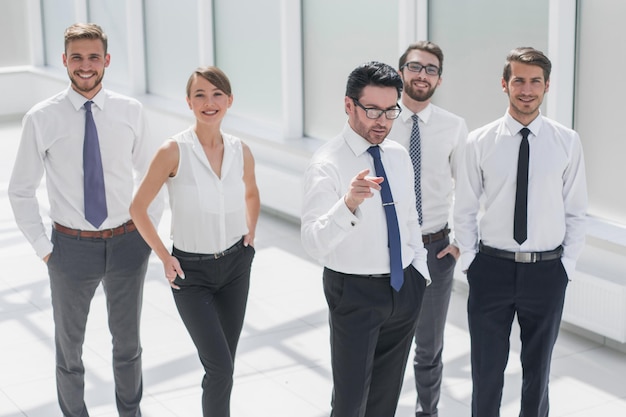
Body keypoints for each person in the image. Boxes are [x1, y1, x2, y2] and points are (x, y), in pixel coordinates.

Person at [8, 23, 163, 417]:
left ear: (106, 60)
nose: (85, 65)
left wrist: (146, 237)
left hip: (128, 243)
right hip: (70, 248)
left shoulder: (130, 112)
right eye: (76, 57)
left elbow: (153, 179)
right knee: (69, 351)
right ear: (64, 60)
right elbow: (20, 190)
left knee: (128, 347)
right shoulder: (41, 118)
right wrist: (46, 251)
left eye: (93, 56)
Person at [454, 47, 587, 417]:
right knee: (486, 372)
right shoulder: (478, 141)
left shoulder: (567, 141)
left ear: (547, 86)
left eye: (535, 81)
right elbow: (463, 207)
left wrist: (566, 266)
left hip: (546, 271)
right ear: (504, 83)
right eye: (518, 80)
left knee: (538, 372)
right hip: (491, 269)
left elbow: (577, 211)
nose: (526, 89)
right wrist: (470, 262)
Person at [301, 61, 431, 417]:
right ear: (348, 106)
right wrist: (348, 204)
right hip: (354, 293)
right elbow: (312, 242)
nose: (383, 121)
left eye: (391, 111)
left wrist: (418, 270)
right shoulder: (327, 162)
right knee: (350, 402)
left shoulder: (398, 155)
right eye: (373, 110)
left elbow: (408, 218)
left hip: (403, 288)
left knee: (384, 402)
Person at [129, 66, 260, 417]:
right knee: (219, 368)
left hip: (235, 267)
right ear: (188, 102)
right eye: (200, 94)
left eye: (217, 94)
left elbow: (251, 193)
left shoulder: (241, 150)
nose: (209, 102)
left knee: (224, 367)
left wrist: (251, 234)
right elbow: (137, 207)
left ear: (229, 100)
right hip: (191, 274)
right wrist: (163, 257)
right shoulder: (173, 150)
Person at [387, 41, 468, 417]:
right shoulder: (382, 121)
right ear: (401, 71)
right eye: (416, 67)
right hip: (387, 249)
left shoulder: (453, 127)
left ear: (439, 78)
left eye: (431, 69)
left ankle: (427, 412)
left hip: (435, 249)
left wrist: (461, 244)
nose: (423, 75)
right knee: (382, 341)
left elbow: (467, 189)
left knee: (429, 347)